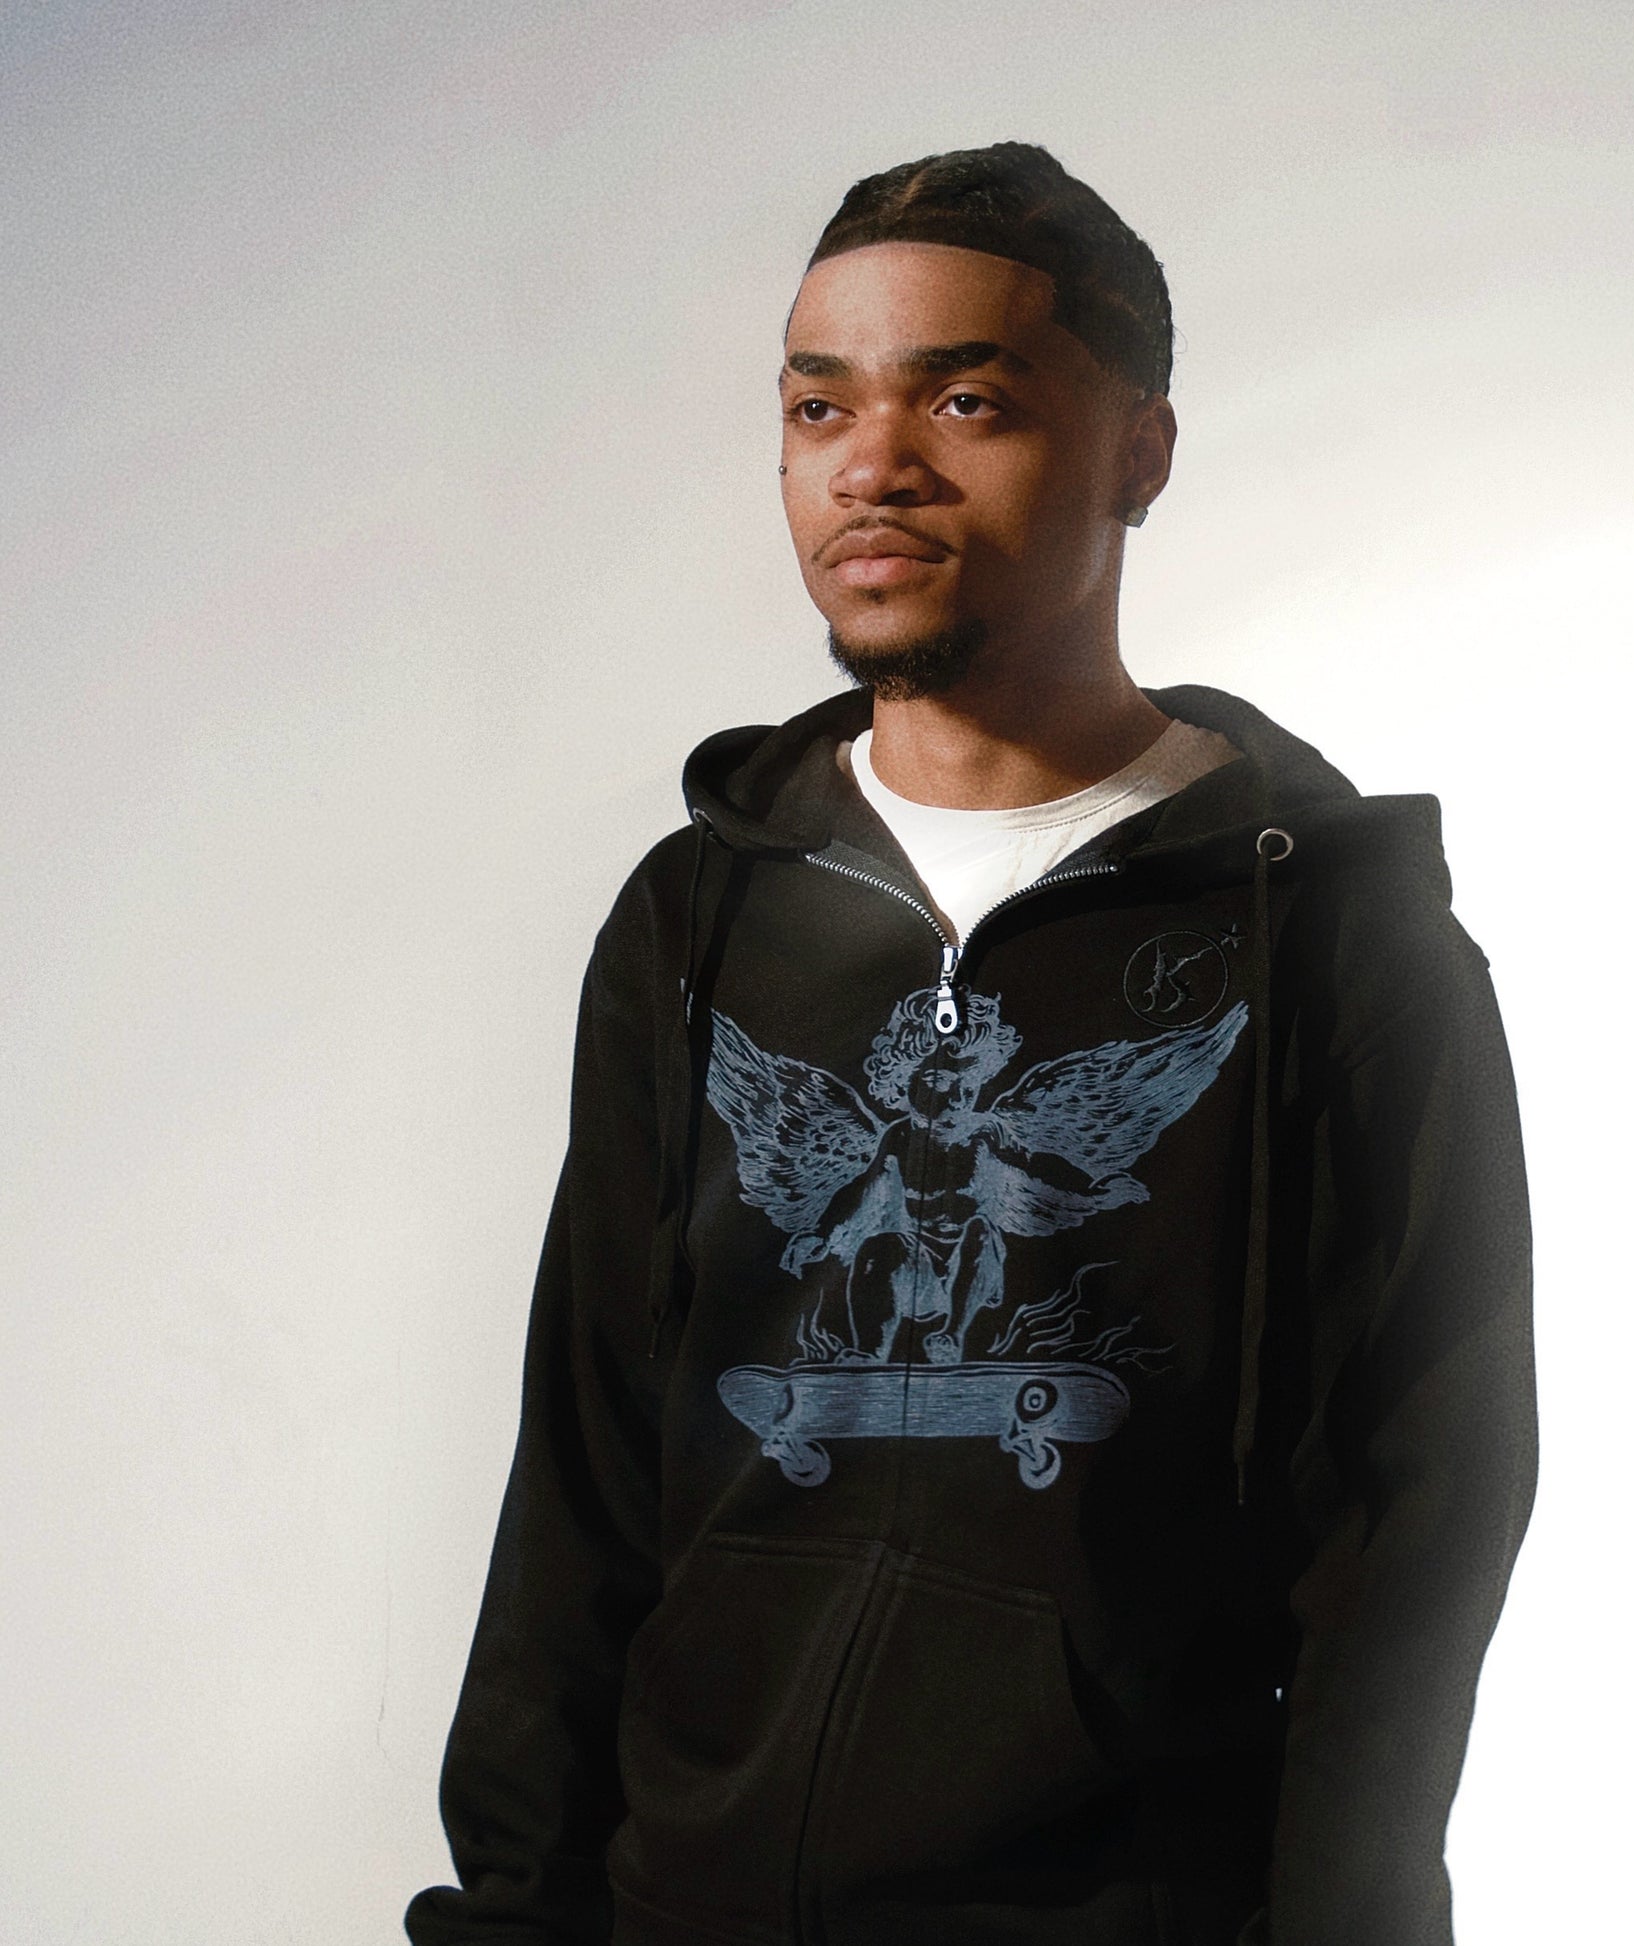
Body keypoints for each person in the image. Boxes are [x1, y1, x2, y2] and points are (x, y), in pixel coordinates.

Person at [405, 141, 1537, 1946]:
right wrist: (512, 1916)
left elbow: (1413, 1527)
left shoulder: (1333, 934)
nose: (872, 465)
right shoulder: (696, 916)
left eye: (964, 399)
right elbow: (583, 1484)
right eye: (817, 405)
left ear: (1139, 452)